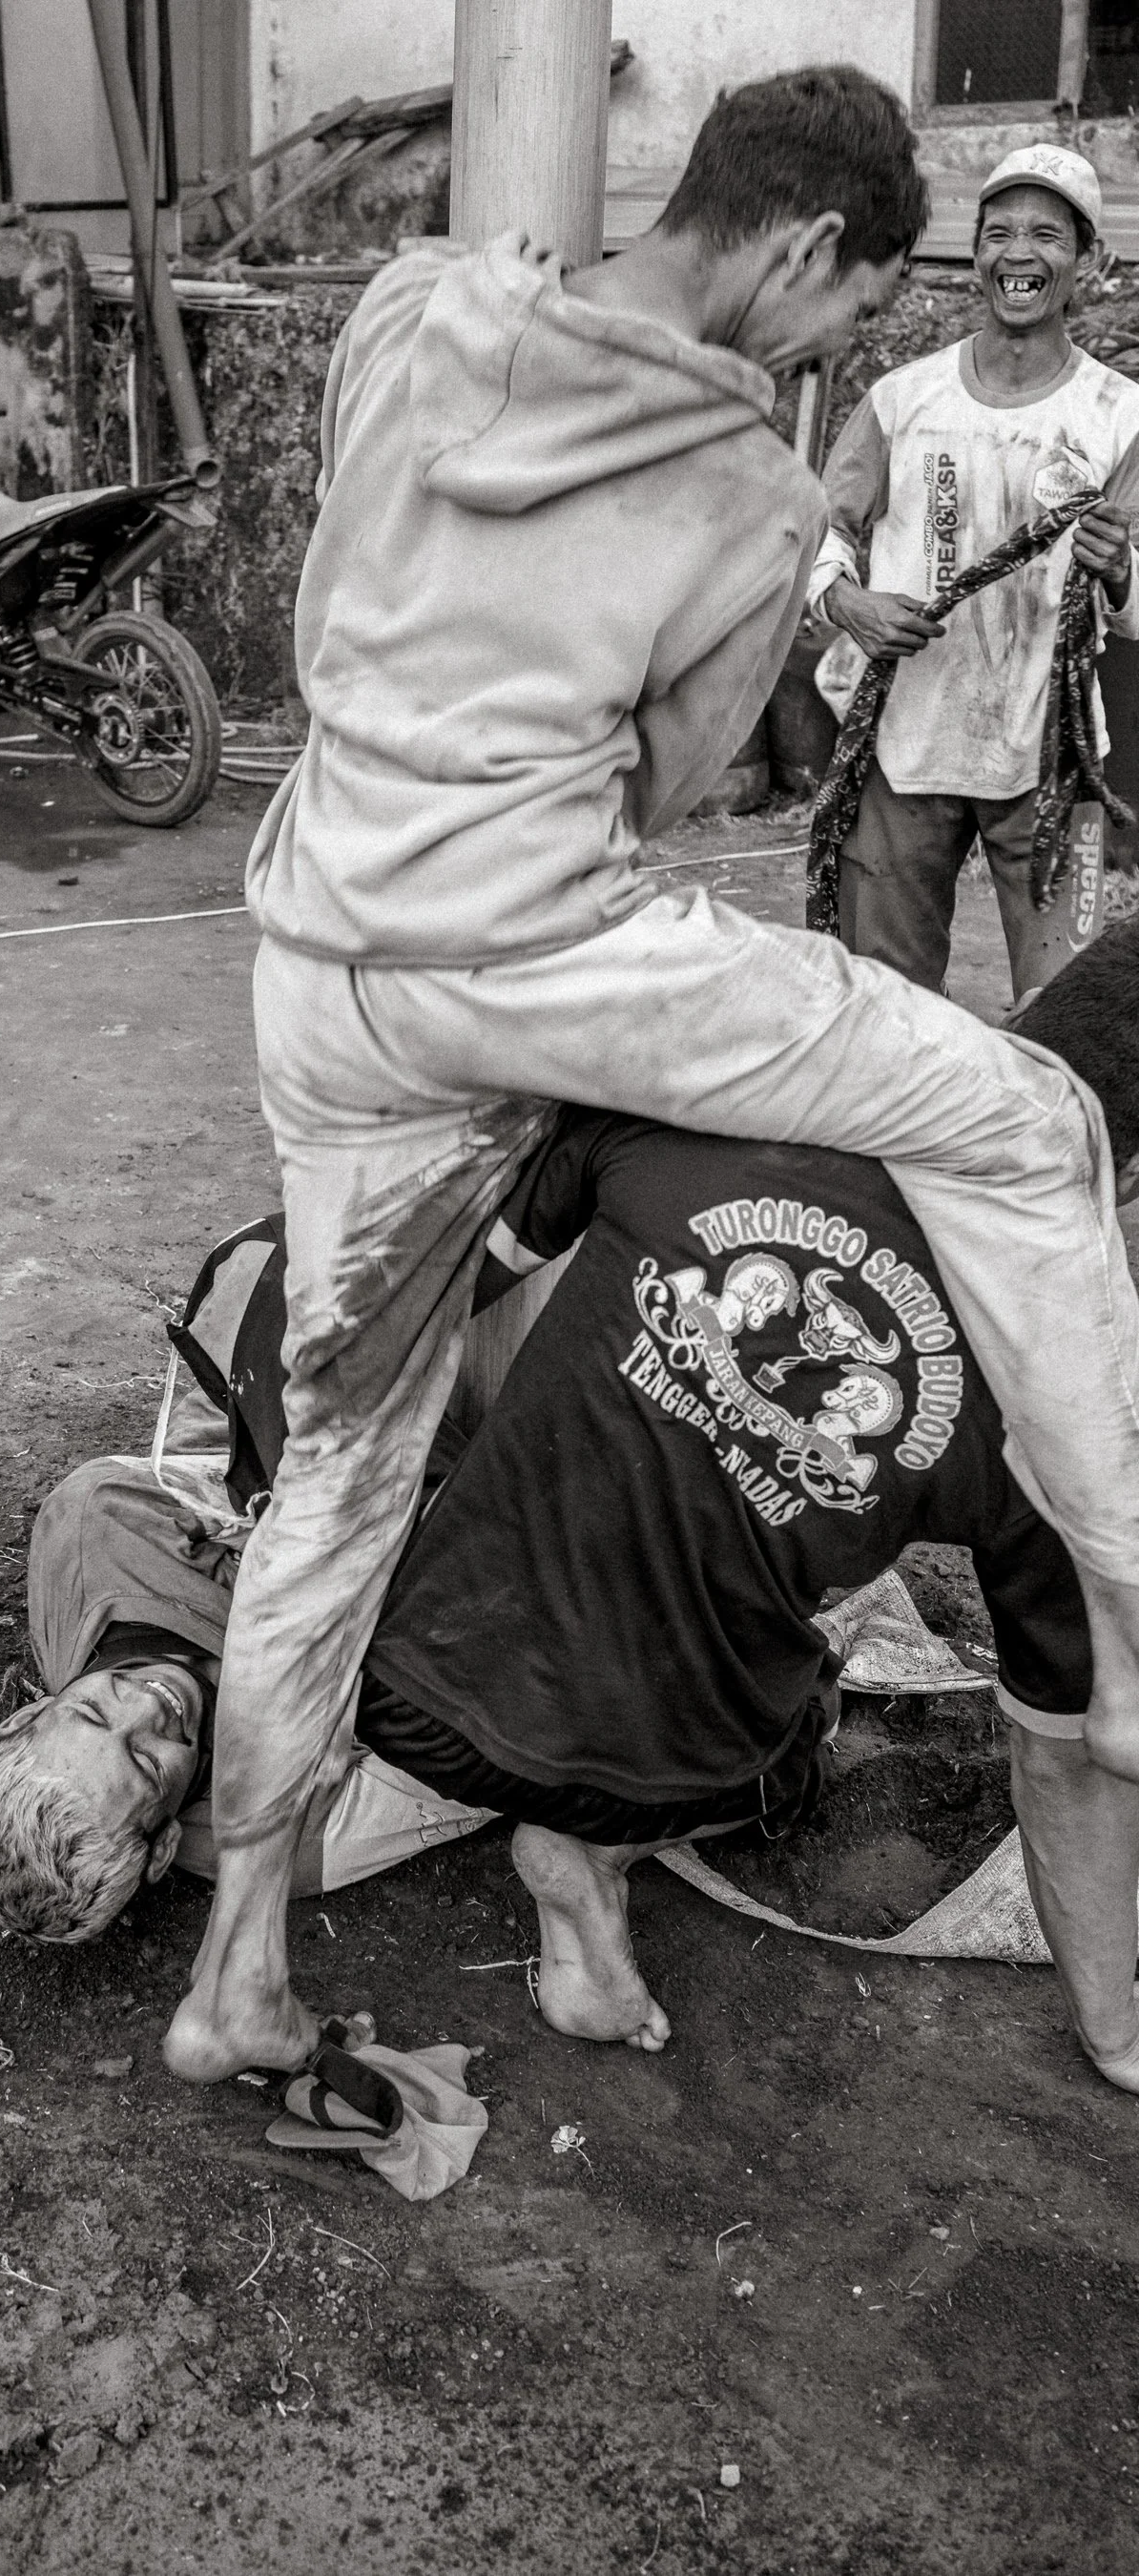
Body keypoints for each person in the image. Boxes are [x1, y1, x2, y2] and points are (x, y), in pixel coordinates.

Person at [160, 70, 1139, 2089]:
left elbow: (435, 378)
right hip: (541, 954)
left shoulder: (416, 313)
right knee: (1029, 1118)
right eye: (849, 307)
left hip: (323, 963)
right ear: (802, 248)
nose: (837, 347)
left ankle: (236, 1973)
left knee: (337, 1485)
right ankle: (1133, 1631)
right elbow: (675, 783)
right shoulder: (754, 500)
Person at [0, 923, 1139, 2096]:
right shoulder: (1072, 1420)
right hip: (509, 1711)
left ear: (27, 1710)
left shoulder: (707, 1124)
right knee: (790, 1745)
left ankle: (465, 1867)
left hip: (449, 1631)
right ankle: (595, 1838)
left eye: (100, 1717)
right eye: (155, 1768)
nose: (148, 1718)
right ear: (1115, 1182)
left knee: (385, 1412)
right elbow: (1068, 1760)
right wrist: (1112, 2026)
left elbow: (400, 1305)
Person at [811, 143, 1139, 997]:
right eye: (998, 234)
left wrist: (1121, 575)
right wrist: (849, 603)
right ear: (977, 257)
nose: (1018, 253)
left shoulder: (1121, 415)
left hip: (1054, 761)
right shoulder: (903, 400)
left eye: (1045, 234)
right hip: (902, 749)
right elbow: (816, 532)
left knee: (1065, 1011)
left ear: (1087, 260)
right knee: (885, 1007)